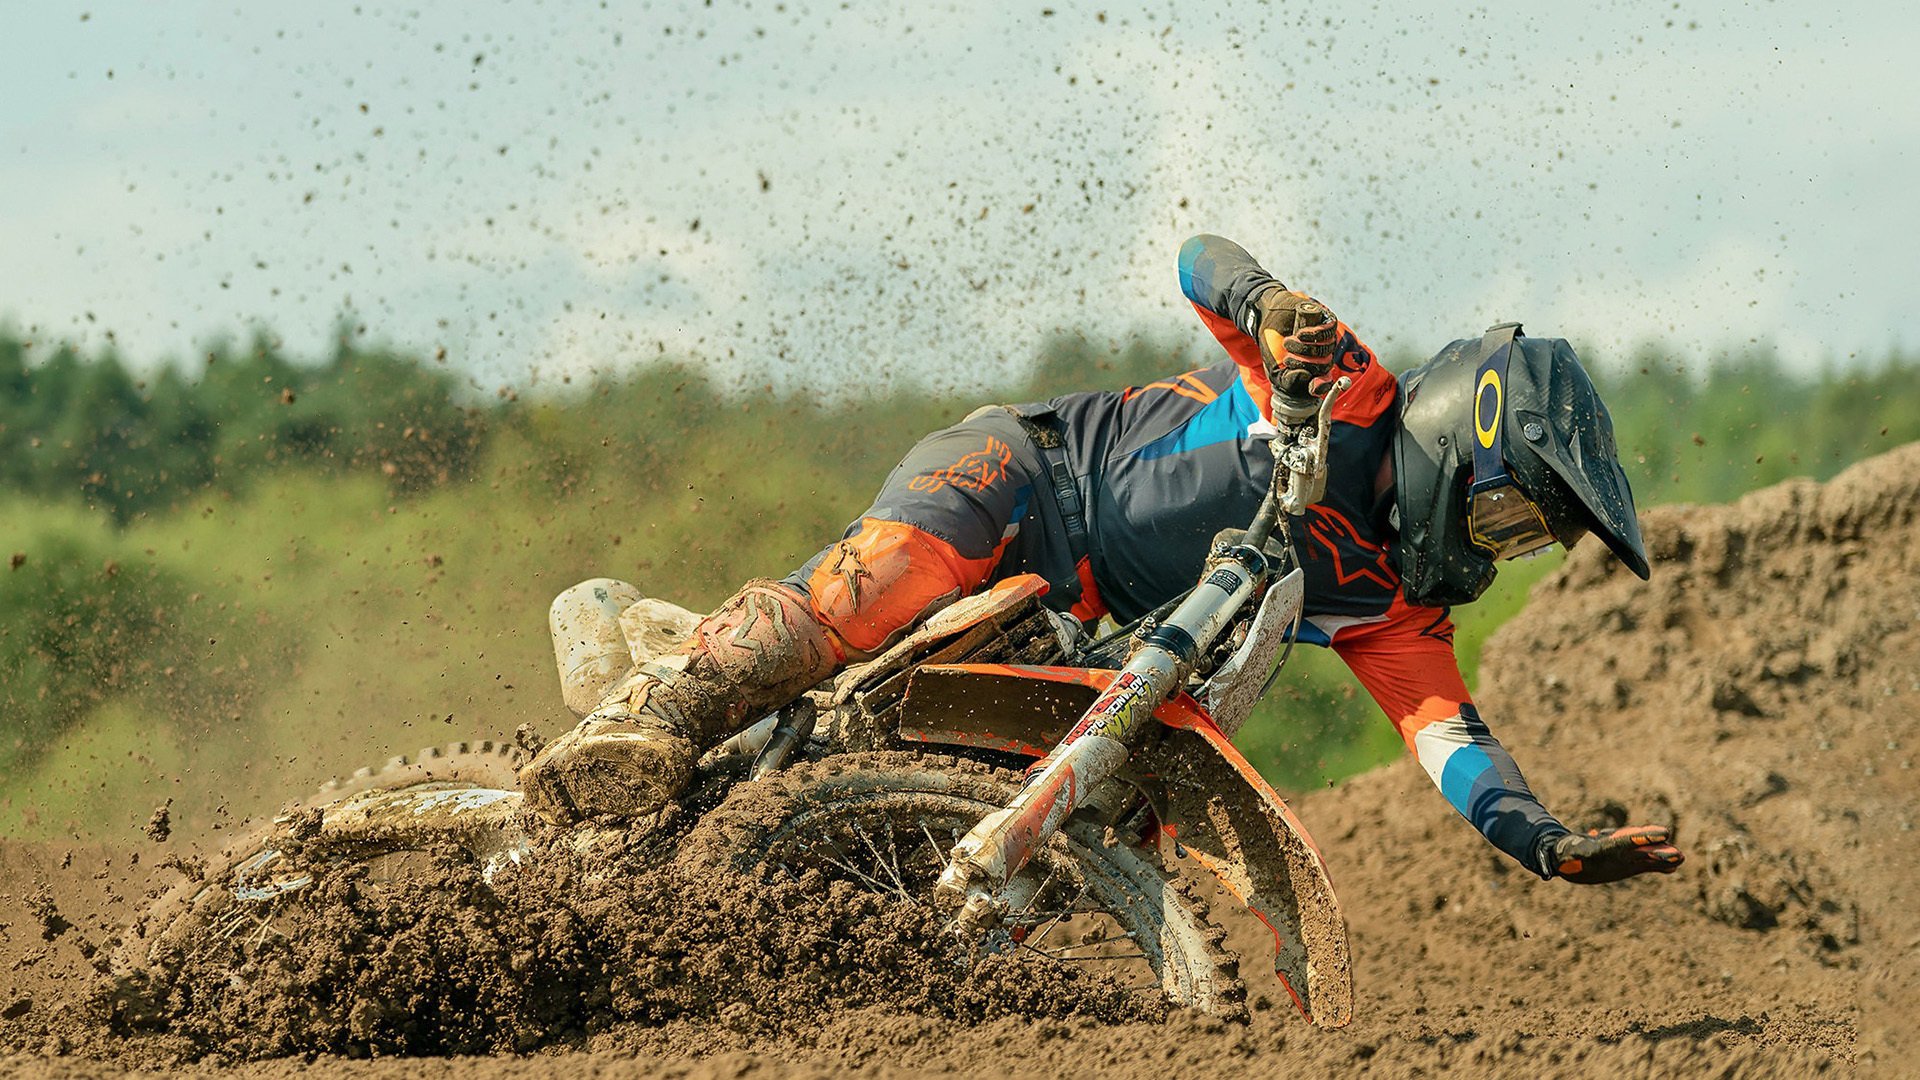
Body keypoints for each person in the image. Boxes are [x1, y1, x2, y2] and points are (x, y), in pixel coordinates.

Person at [519, 234, 1685, 886]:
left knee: (1096, 824)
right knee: (867, 598)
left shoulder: (1393, 608)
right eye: (1510, 521)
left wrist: (1543, 842)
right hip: (1018, 483)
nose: (1504, 551)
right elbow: (1195, 259)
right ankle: (652, 723)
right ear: (1455, 446)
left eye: (1526, 542)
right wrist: (1267, 302)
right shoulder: (1343, 380)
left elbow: (1449, 742)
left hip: (1066, 628)